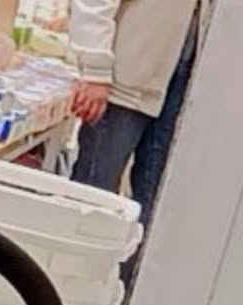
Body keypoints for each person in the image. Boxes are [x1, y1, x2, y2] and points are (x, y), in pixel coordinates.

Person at [70, 0, 202, 222]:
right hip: (123, 84)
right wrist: (95, 69)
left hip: (179, 83)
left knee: (150, 209)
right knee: (93, 199)